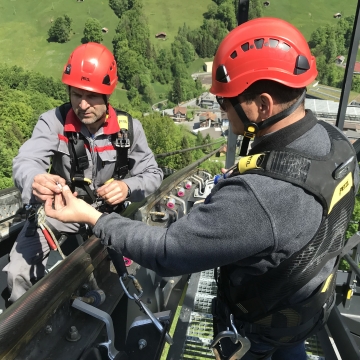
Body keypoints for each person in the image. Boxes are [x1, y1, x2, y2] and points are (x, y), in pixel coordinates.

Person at [44, 18, 358, 360]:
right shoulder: (335, 143)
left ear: (263, 106)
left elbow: (167, 251)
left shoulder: (259, 195)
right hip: (301, 314)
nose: (223, 112)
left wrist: (92, 217)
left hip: (255, 341)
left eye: (226, 103)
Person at [4, 42, 163, 303]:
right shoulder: (53, 122)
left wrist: (127, 187)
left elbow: (153, 173)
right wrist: (35, 178)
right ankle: (33, 333)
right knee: (17, 272)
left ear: (107, 95)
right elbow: (26, 159)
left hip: (109, 213)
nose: (83, 105)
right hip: (62, 211)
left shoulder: (129, 130)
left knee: (125, 274)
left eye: (92, 96)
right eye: (77, 95)